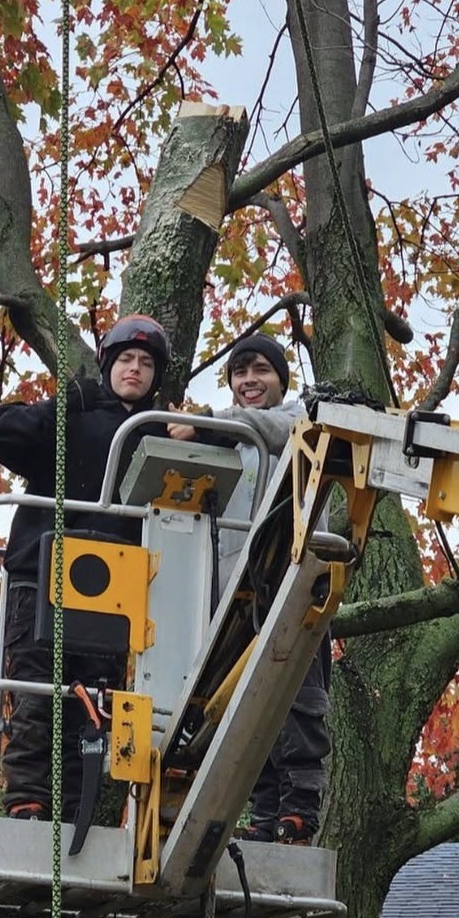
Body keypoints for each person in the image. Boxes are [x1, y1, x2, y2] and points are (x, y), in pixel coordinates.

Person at [0, 314, 169, 822]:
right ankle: (26, 802)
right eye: (126, 359)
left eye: (146, 363)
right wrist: (62, 407)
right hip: (41, 575)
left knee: (91, 708)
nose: (135, 369)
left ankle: (72, 813)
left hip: (113, 590)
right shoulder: (74, 415)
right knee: (38, 693)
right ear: (109, 365)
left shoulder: (156, 435)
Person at [169, 331, 331, 845]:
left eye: (260, 370)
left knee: (297, 696)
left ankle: (300, 807)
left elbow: (272, 426)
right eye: (240, 373)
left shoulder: (303, 421)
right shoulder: (227, 440)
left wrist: (205, 424)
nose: (249, 381)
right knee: (242, 705)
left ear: (281, 380)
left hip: (294, 577)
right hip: (236, 594)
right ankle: (265, 814)